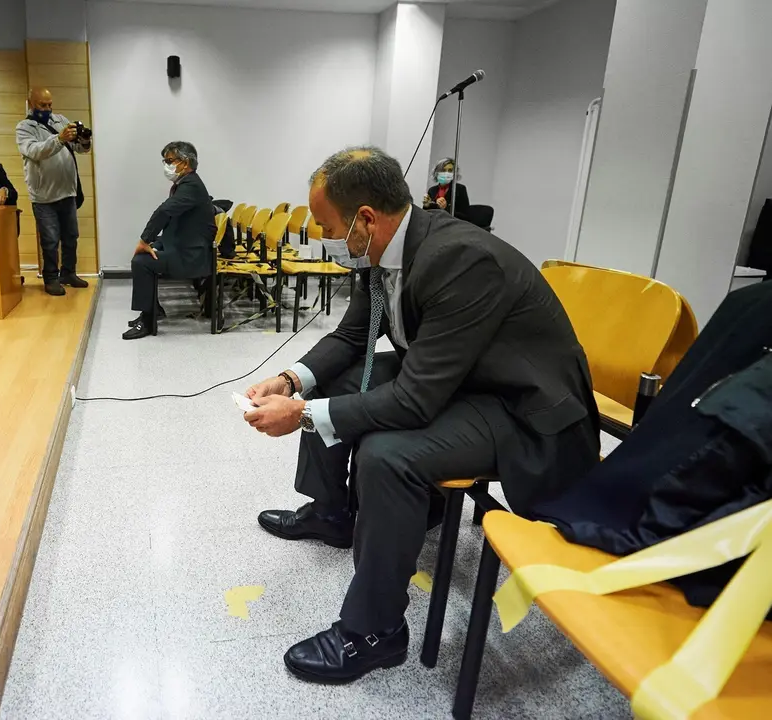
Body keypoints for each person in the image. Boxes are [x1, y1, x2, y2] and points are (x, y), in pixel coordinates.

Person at [242, 147, 599, 685]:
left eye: (328, 227)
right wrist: (292, 381)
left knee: (388, 455)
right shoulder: (380, 251)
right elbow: (352, 336)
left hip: (521, 407)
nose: (324, 238)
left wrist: (303, 415)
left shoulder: (460, 259)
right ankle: (333, 513)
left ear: (365, 218)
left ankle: (375, 632)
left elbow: (414, 401)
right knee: (339, 380)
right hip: (460, 379)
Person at [122, 141, 216, 341]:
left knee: (141, 262)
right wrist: (153, 243)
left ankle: (148, 320)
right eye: (165, 161)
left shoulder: (191, 186)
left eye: (170, 161)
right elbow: (172, 219)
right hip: (182, 245)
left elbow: (165, 211)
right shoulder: (185, 184)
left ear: (185, 162)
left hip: (191, 256)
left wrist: (144, 240)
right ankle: (153, 309)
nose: (166, 165)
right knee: (148, 252)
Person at [16, 87, 91, 296]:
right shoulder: (24, 128)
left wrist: (84, 140)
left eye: (50, 104)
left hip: (67, 191)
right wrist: (59, 138)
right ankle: (51, 278)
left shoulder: (60, 120)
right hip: (43, 196)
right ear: (31, 104)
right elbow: (35, 151)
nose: (47, 109)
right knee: (50, 240)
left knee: (71, 237)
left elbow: (78, 149)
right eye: (42, 105)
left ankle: (69, 273)